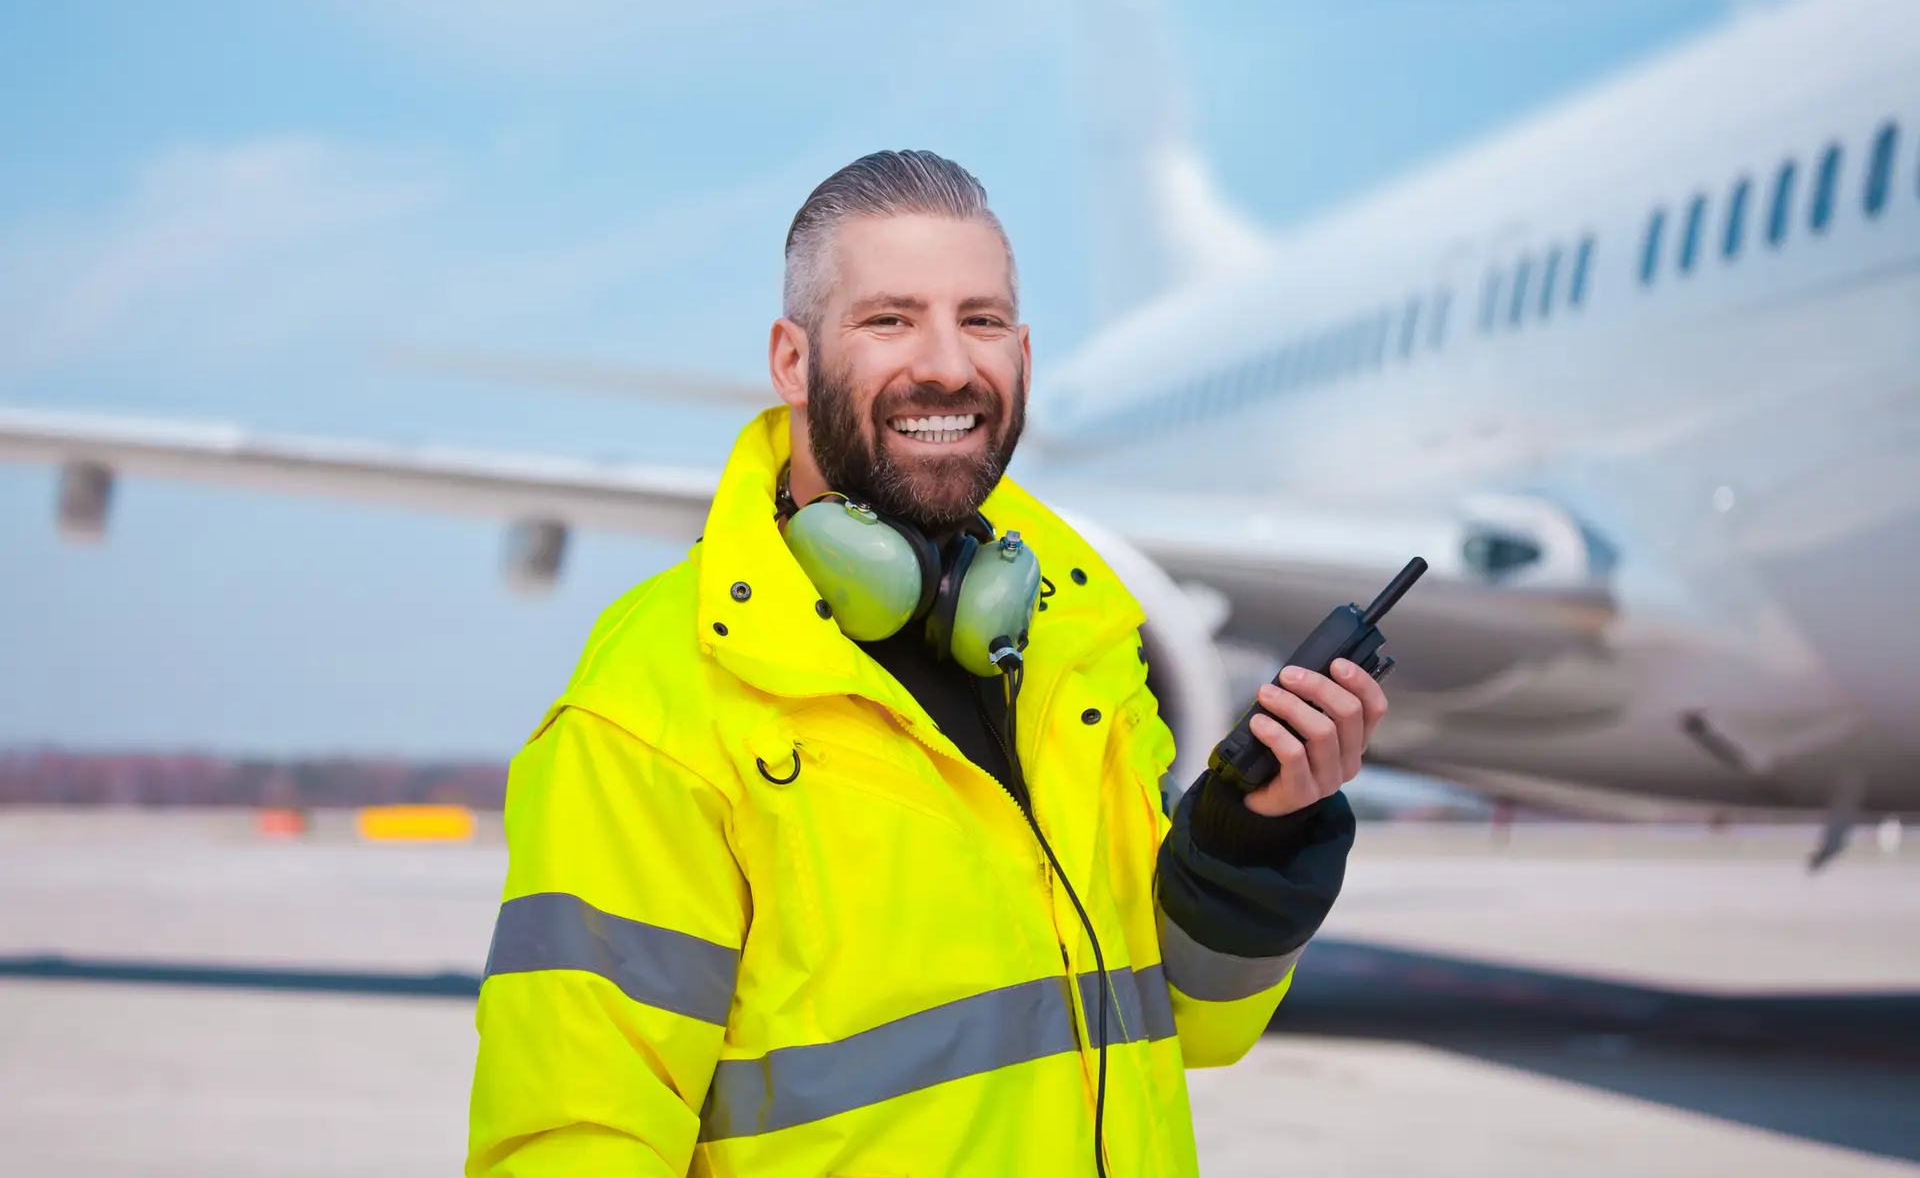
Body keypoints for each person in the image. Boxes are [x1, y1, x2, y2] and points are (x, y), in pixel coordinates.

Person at [466, 151, 1387, 1177]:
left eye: (981, 320)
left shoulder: (1072, 640)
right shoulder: (656, 694)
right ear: (791, 360)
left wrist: (1249, 839)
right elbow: (571, 1137)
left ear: (1023, 355)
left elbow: (1187, 1021)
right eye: (890, 320)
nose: (948, 364)